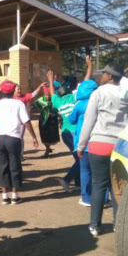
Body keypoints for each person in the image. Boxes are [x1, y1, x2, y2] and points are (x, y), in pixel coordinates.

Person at [77, 62, 128, 237]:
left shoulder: (98, 93)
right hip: (120, 145)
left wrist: (81, 145)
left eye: (105, 73)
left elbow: (89, 121)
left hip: (99, 144)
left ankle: (95, 226)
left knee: (98, 185)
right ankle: (118, 224)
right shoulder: (126, 93)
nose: (102, 75)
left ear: (110, 76)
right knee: (117, 187)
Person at [0, 80, 39, 205]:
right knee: (15, 166)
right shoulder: (18, 103)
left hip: (0, 139)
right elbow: (26, 121)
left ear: (2, 91)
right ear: (13, 90)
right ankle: (15, 195)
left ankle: (4, 196)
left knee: (2, 166)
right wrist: (34, 137)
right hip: (14, 138)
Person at [49, 56, 93, 193]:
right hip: (76, 133)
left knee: (77, 158)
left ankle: (78, 183)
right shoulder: (74, 98)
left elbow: (52, 94)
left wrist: (50, 80)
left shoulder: (58, 102)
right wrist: (89, 66)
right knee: (81, 159)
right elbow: (86, 82)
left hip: (65, 133)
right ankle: (67, 179)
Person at [68, 77, 98, 207]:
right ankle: (104, 197)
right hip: (99, 141)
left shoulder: (79, 105)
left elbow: (71, 120)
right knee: (101, 173)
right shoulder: (99, 101)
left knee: (85, 170)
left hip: (84, 142)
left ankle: (86, 197)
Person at [32, 86, 59, 158]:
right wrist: (41, 109)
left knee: (51, 136)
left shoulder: (55, 100)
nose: (48, 96)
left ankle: (47, 148)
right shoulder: (41, 100)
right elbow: (34, 106)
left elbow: (58, 108)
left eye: (49, 95)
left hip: (52, 121)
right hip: (43, 120)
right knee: (44, 136)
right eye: (46, 95)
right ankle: (47, 149)